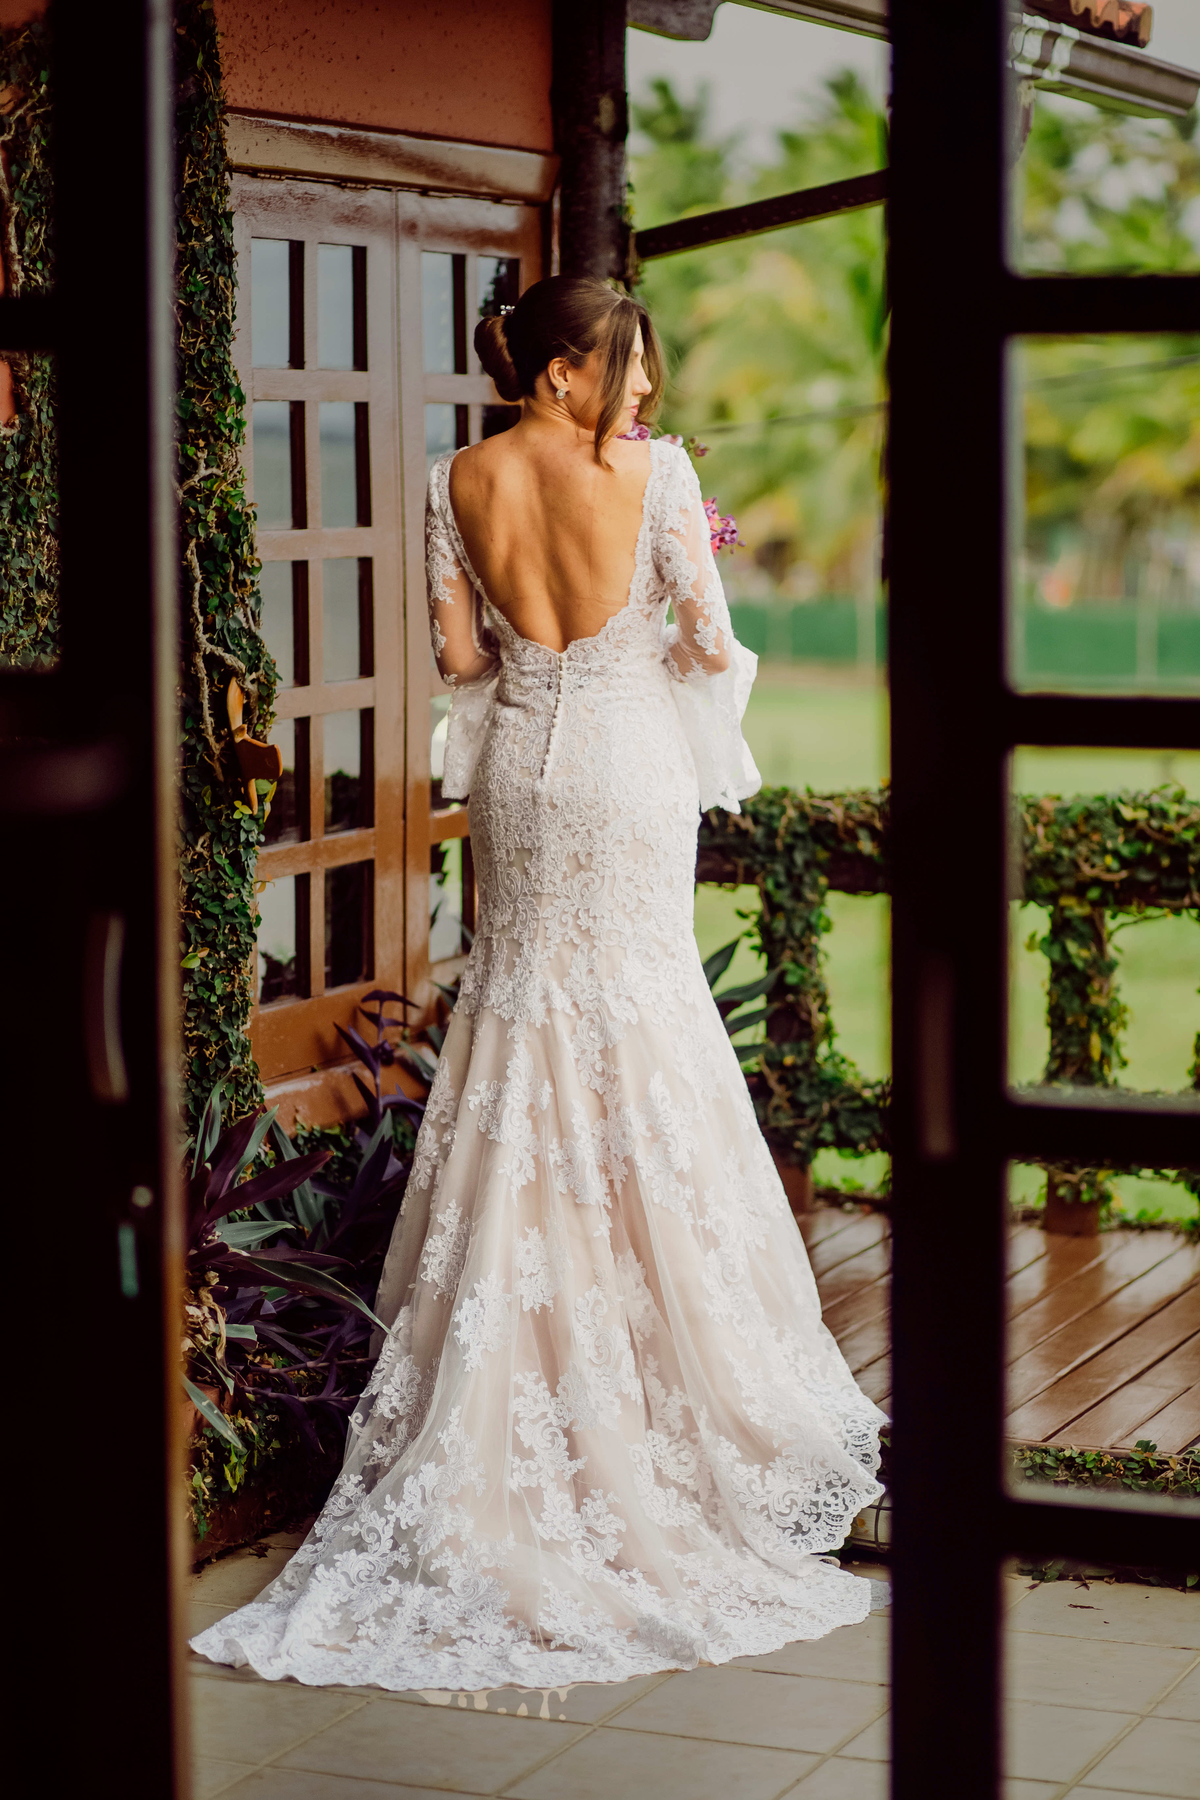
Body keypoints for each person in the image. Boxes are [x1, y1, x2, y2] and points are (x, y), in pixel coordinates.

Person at [192, 276, 885, 1693]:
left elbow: (458, 657)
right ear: (563, 369)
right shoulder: (660, 476)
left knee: (521, 1036)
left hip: (520, 773)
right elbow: (699, 642)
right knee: (646, 1034)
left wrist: (541, 641)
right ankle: (673, 1399)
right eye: (625, 367)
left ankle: (525, 1390)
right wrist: (688, 570)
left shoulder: (456, 474)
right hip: (628, 777)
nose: (643, 394)